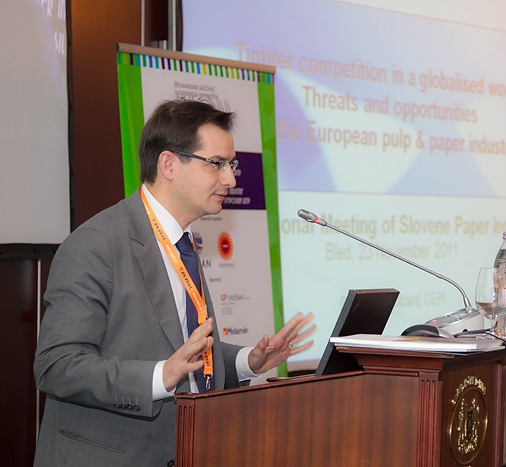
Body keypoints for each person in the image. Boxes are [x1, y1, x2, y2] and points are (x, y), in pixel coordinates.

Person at [33, 99, 316, 467]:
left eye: (231, 165)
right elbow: (56, 365)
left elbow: (182, 350)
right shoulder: (96, 244)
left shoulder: (182, 242)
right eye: (217, 163)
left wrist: (249, 360)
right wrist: (159, 376)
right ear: (168, 164)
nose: (230, 179)